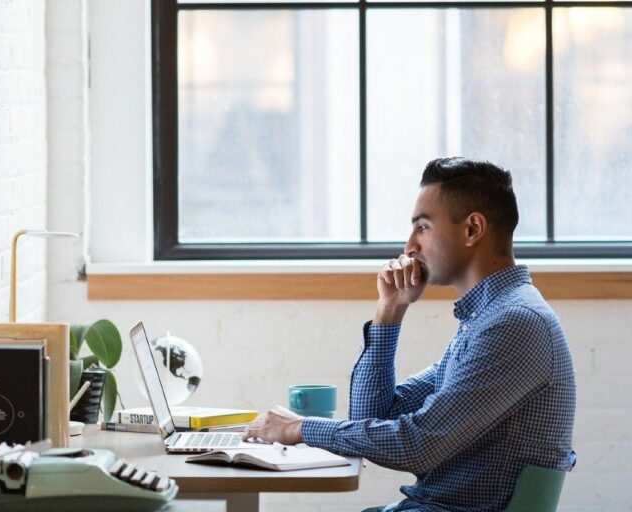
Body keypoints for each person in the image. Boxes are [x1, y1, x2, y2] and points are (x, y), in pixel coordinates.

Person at [245, 157, 576, 511]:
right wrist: (390, 311)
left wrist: (300, 428)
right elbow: (370, 418)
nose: (408, 247)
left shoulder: (513, 324)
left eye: (423, 227)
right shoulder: (485, 320)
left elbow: (417, 446)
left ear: (472, 229)